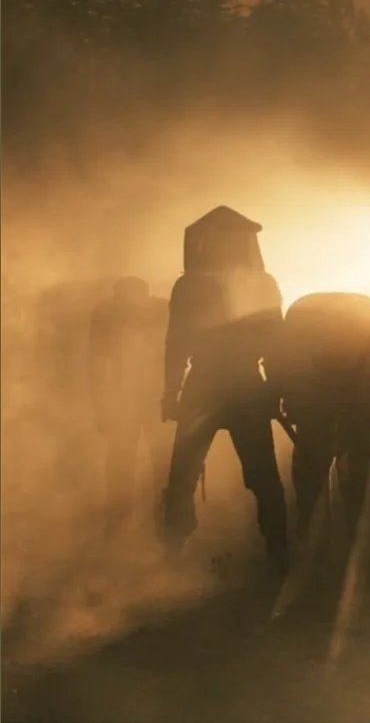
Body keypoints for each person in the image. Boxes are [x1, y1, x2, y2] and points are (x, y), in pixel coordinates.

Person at [158, 206, 290, 575]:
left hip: (209, 384)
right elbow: (276, 342)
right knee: (256, 473)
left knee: (185, 472)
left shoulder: (192, 285)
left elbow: (176, 344)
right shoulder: (259, 283)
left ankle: (174, 550)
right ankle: (278, 550)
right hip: (241, 385)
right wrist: (275, 388)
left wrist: (172, 392)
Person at [271, 292, 370, 541]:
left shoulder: (302, 313)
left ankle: (309, 520)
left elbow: (283, 357)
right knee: (356, 459)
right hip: (349, 391)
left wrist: (283, 393)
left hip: (322, 390)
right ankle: (353, 522)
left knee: (312, 456)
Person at [88, 277, 169, 532]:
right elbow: (96, 364)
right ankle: (126, 511)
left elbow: (95, 364)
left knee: (153, 455)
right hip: (131, 397)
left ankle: (157, 508)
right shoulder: (108, 315)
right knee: (124, 457)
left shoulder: (157, 311)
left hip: (150, 395)